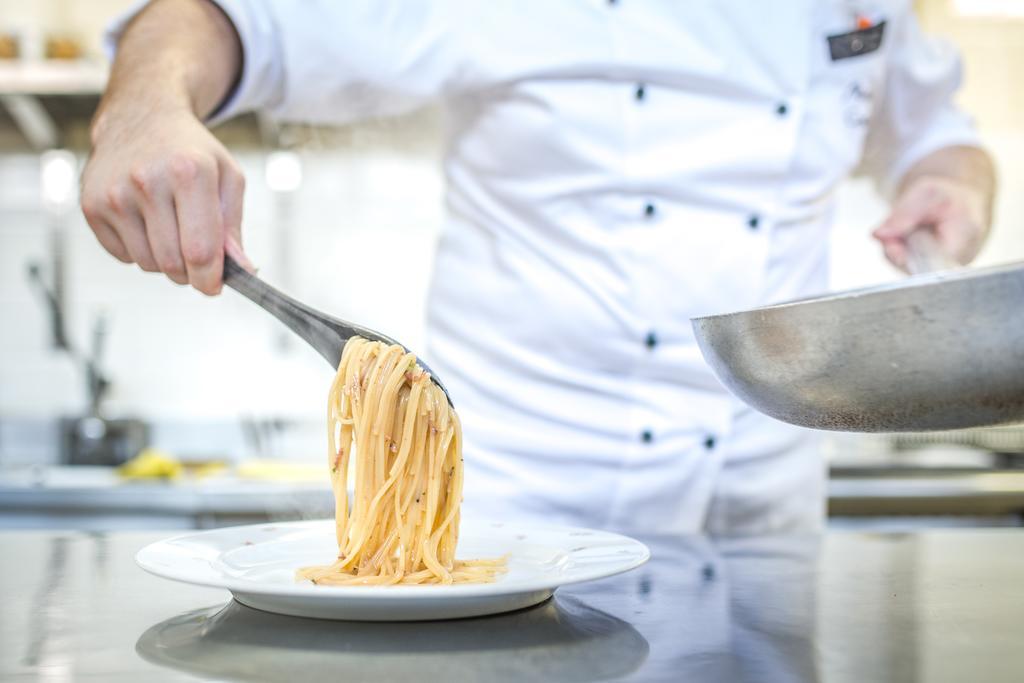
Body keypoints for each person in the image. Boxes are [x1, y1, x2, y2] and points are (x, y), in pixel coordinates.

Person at [81, 0, 995, 535]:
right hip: (525, 518)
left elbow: (939, 136)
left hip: (768, 521)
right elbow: (218, 20)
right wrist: (143, 110)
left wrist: (952, 189)